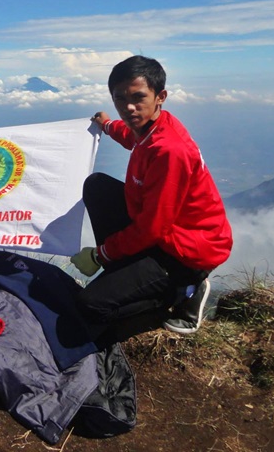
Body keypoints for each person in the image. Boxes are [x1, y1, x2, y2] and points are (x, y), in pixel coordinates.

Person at [70, 55, 232, 337]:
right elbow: (131, 135)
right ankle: (128, 272)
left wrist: (101, 255)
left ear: (161, 97)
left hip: (188, 251)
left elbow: (152, 228)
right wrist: (106, 124)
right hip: (162, 232)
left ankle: (183, 290)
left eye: (138, 97)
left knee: (89, 306)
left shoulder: (170, 151)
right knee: (97, 185)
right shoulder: (151, 126)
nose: (128, 107)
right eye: (119, 98)